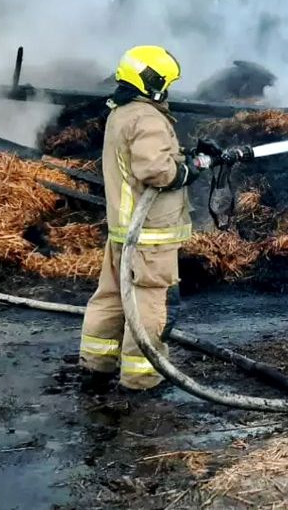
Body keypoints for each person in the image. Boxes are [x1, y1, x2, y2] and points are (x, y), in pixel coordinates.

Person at [78, 45, 206, 392]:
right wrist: (189, 171)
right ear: (152, 83)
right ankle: (142, 377)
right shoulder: (147, 117)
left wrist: (186, 157)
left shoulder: (122, 113)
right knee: (152, 305)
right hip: (150, 235)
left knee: (110, 299)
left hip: (123, 231)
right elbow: (156, 171)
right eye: (165, 82)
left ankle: (96, 365)